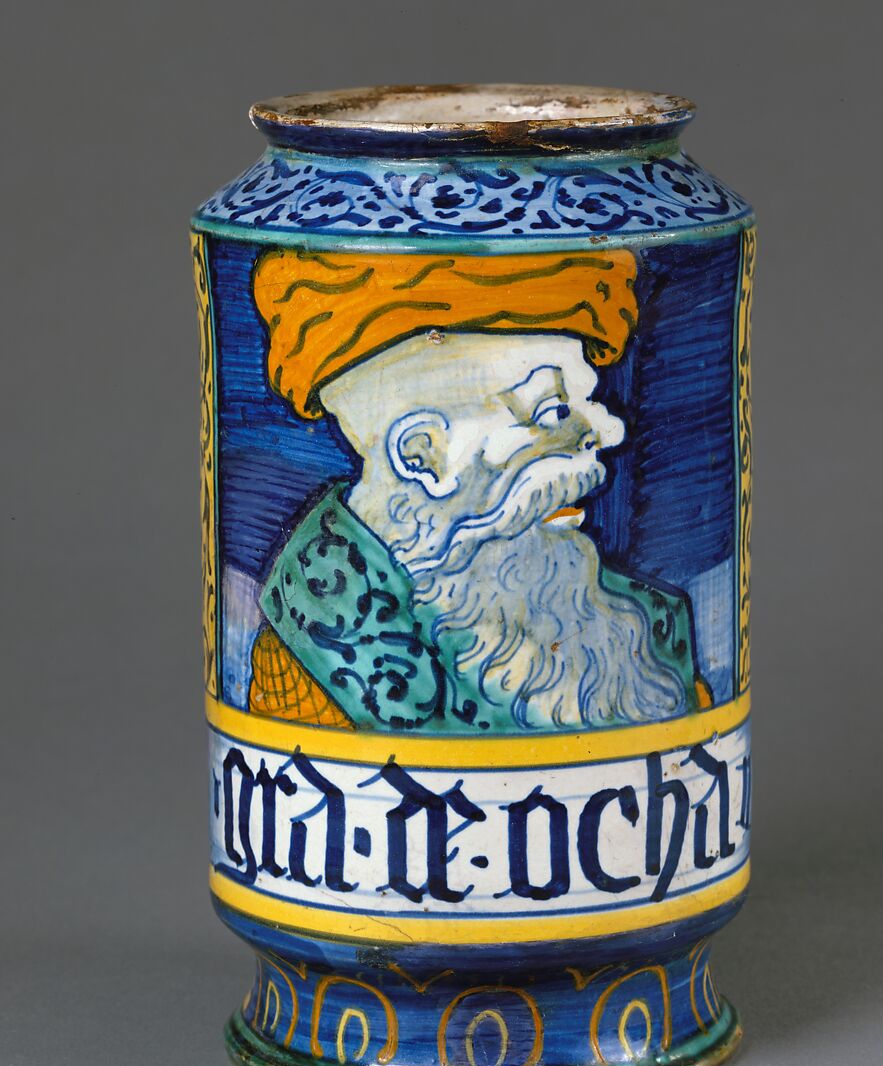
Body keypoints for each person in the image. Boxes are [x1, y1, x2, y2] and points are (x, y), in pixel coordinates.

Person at [246, 249, 709, 733]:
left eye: (586, 402)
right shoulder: (306, 669)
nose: (608, 431)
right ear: (423, 455)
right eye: (552, 411)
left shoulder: (642, 631)